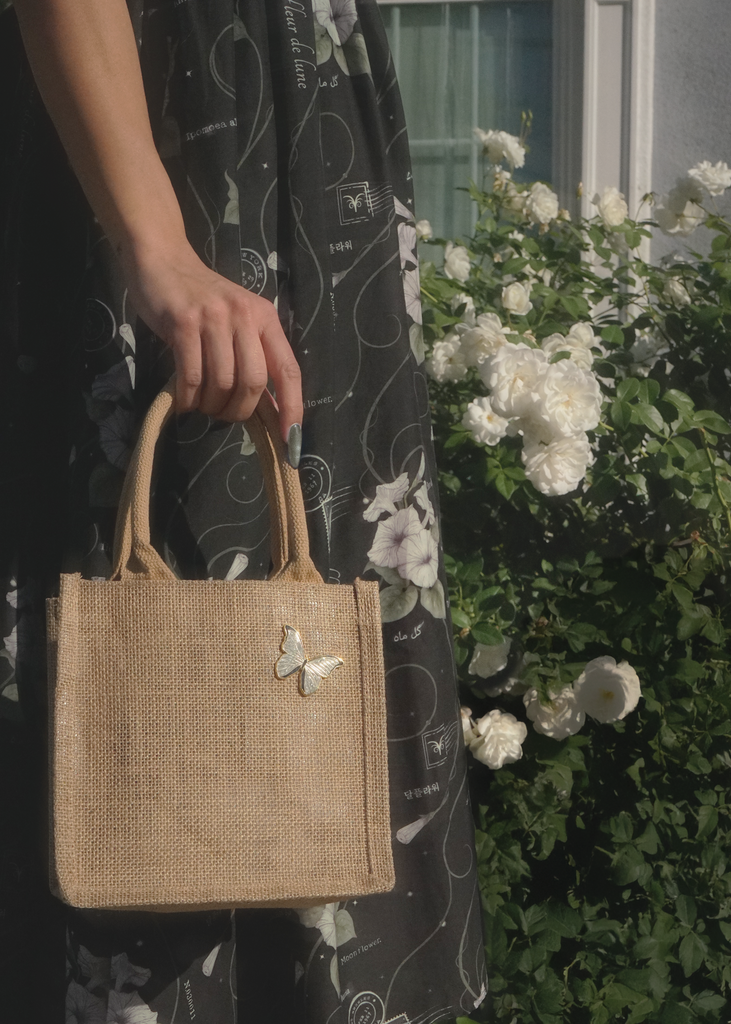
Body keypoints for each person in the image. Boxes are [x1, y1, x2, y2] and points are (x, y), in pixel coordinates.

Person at [0, 1, 488, 1020]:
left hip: (291, 152)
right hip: (177, 141)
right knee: (142, 637)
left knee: (300, 665)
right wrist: (156, 241)